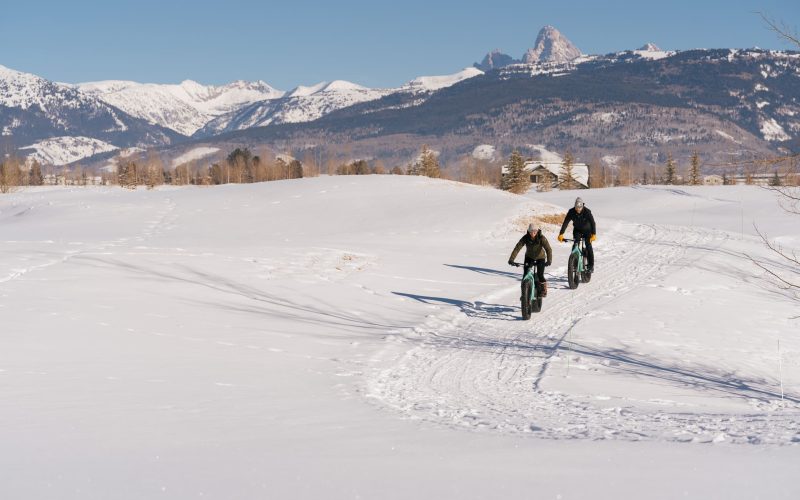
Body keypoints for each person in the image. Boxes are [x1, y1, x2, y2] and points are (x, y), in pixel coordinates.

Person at [508, 223, 552, 297]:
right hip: (529, 257)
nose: (533, 233)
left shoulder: (542, 238)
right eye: (531, 231)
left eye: (535, 231)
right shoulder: (525, 238)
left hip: (540, 258)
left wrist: (549, 260)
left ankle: (543, 289)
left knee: (540, 274)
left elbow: (548, 249)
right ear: (528, 231)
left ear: (537, 231)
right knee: (525, 275)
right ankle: (524, 293)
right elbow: (517, 248)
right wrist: (511, 259)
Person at [557, 197, 596, 272]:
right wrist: (561, 234)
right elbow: (566, 222)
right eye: (576, 207)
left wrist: (594, 234)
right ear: (574, 206)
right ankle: (574, 263)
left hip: (587, 230)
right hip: (577, 230)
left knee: (588, 245)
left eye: (580, 207)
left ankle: (591, 266)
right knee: (575, 244)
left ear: (582, 206)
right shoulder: (571, 212)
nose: (578, 209)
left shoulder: (587, 211)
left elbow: (592, 223)